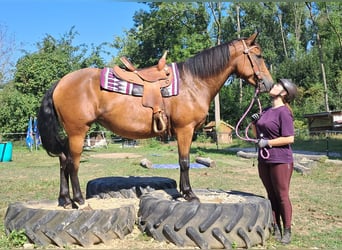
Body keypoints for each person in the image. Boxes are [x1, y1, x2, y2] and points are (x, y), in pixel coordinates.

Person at [251, 79, 298, 245]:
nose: (274, 86)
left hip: (280, 159)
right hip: (264, 159)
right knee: (271, 195)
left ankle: (287, 230)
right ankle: (275, 226)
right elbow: (257, 135)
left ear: (284, 93)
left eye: (278, 85)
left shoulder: (284, 112)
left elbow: (289, 138)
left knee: (282, 195)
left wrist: (268, 143)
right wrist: (255, 122)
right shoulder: (267, 111)